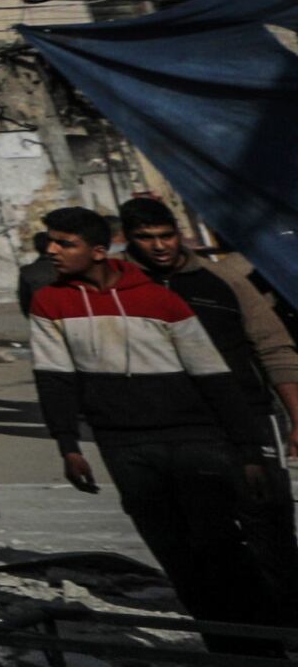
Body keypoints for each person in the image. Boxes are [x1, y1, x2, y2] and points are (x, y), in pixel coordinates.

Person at [25, 207, 298, 667]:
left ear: (97, 250)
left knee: (230, 549)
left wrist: (251, 448)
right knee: (179, 558)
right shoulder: (50, 301)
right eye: (51, 242)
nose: (50, 251)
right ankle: (237, 665)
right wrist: (67, 443)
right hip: (124, 444)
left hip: (198, 437)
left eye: (63, 243)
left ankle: (270, 653)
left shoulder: (179, 295)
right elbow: (54, 379)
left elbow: (217, 376)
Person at [108, 200, 298, 614]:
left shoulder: (222, 279)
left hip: (250, 415)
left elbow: (273, 346)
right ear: (127, 239)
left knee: (271, 520)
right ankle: (249, 631)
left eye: (166, 235)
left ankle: (287, 617)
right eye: (146, 237)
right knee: (209, 535)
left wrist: (296, 417)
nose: (159, 246)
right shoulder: (117, 286)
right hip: (181, 429)